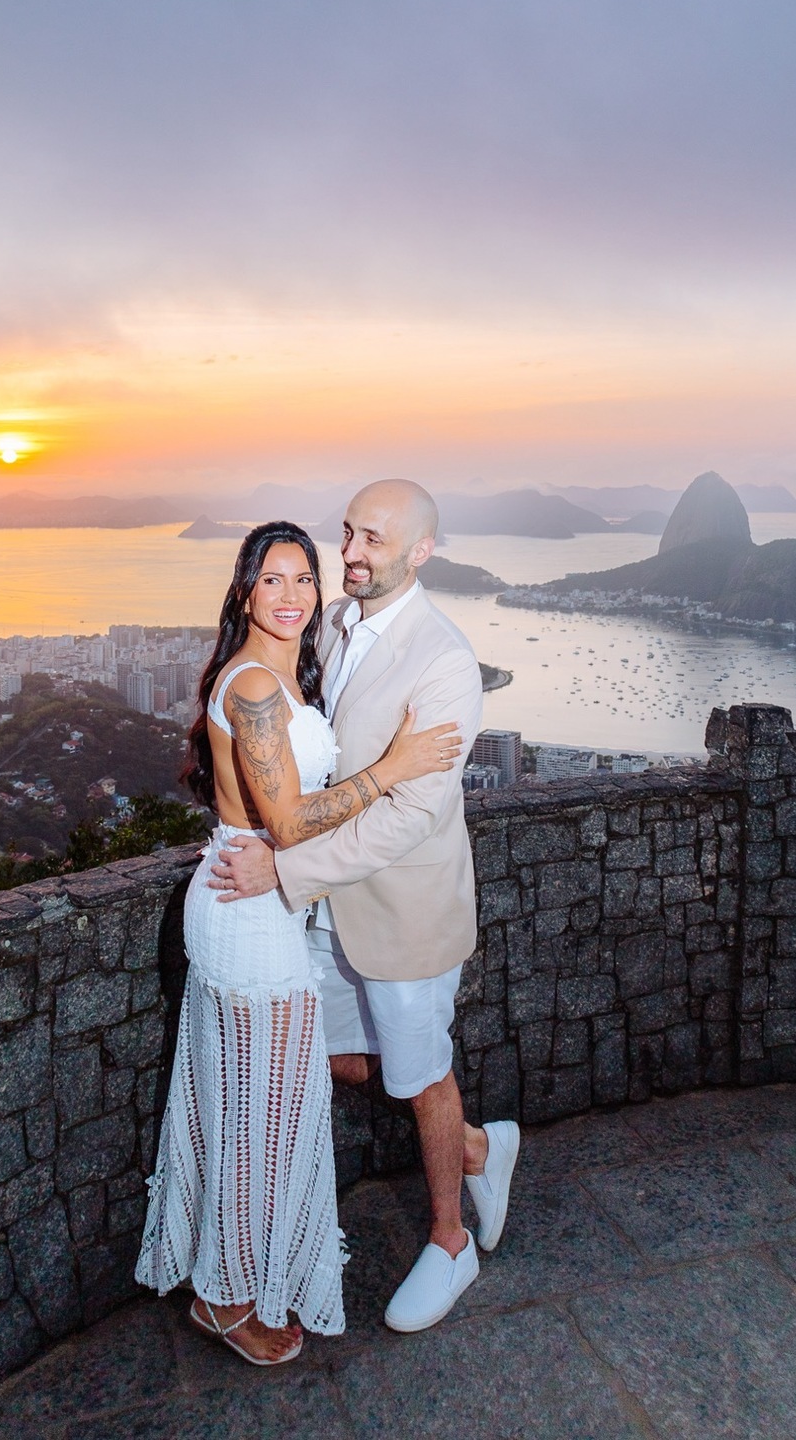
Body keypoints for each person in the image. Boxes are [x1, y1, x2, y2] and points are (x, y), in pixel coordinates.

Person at [134, 520, 463, 1366]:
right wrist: (395, 766)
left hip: (259, 903)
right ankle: (230, 1298)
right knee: (262, 1116)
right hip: (248, 920)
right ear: (245, 589)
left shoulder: (282, 672)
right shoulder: (251, 686)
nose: (292, 596)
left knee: (254, 1101)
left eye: (304, 579)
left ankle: (222, 1280)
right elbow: (284, 820)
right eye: (273, 580)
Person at [212, 481, 522, 1333]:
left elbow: (411, 814)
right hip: (327, 912)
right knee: (331, 1055)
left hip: (404, 913)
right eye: (346, 533)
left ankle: (451, 1241)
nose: (348, 552)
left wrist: (286, 871)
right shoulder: (336, 623)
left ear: (421, 551)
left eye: (372, 538)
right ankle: (482, 1149)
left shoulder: (445, 660)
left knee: (420, 1075)